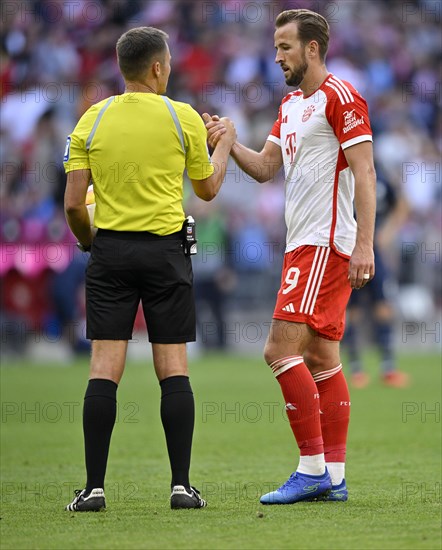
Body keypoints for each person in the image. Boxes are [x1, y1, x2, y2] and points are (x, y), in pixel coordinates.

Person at [205, 9, 376, 504]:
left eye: (285, 47)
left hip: (325, 244)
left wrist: (365, 242)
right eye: (276, 46)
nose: (277, 56)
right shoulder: (291, 105)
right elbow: (264, 169)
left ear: (312, 49)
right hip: (302, 243)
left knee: (279, 352)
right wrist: (231, 141)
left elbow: (364, 173)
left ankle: (311, 469)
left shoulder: (340, 97)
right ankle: (336, 478)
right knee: (322, 358)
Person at [63, 26, 236, 511]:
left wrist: (87, 242)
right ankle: (182, 486)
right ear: (158, 67)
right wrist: (224, 144)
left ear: (122, 68)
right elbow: (207, 190)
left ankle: (94, 489)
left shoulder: (91, 121)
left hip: (111, 252)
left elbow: (75, 204)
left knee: (103, 369)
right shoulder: (182, 117)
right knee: (173, 369)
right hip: (166, 254)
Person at [344, 173, 410, 388]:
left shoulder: (378, 175)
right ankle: (356, 370)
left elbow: (402, 204)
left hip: (375, 255)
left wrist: (388, 232)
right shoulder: (343, 176)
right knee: (351, 311)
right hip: (348, 254)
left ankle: (388, 368)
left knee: (383, 308)